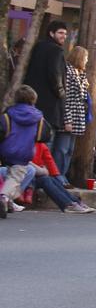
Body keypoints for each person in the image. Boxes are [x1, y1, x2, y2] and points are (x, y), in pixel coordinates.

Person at [0, 85, 52, 217]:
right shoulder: (38, 118)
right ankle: (4, 197)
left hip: (6, 150)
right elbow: (45, 136)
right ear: (33, 99)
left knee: (11, 174)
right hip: (24, 152)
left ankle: (10, 202)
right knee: (16, 177)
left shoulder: (8, 115)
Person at [23, 21, 67, 137]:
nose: (64, 36)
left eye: (65, 33)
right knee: (45, 141)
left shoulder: (39, 46)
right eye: (60, 33)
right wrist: (61, 94)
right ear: (51, 33)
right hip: (50, 105)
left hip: (33, 101)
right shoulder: (56, 50)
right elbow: (55, 75)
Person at [55, 45, 88, 178]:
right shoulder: (68, 71)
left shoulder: (80, 73)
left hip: (78, 115)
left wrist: (84, 85)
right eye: (85, 57)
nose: (86, 60)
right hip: (68, 114)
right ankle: (57, 176)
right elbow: (65, 98)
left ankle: (63, 175)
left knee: (69, 150)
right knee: (62, 148)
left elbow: (83, 96)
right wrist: (67, 119)